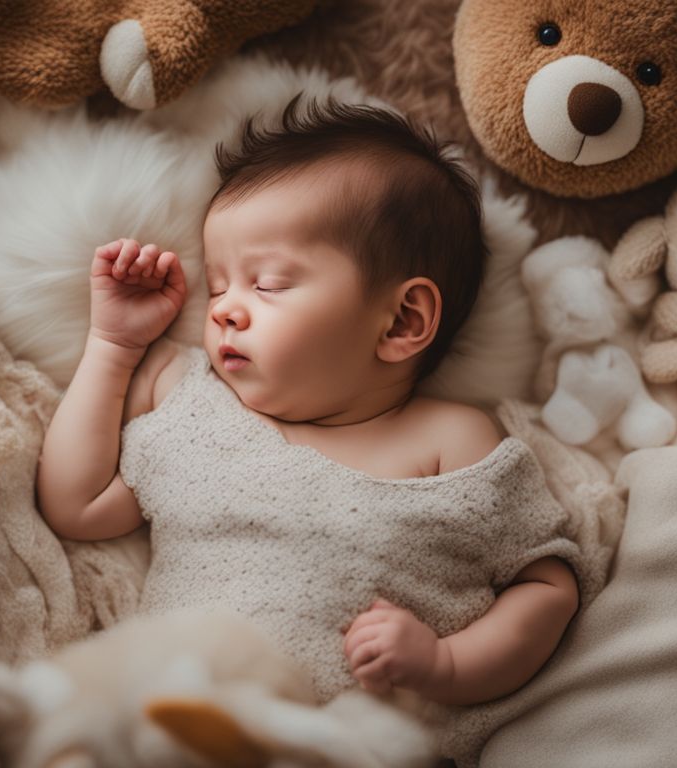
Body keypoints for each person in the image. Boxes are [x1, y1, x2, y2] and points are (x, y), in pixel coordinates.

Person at [36, 99, 582, 705]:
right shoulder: (190, 402)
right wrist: (112, 345)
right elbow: (75, 505)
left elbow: (548, 585)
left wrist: (445, 664)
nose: (222, 309)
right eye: (219, 285)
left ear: (402, 320)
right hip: (171, 722)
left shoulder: (452, 442)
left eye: (267, 284)